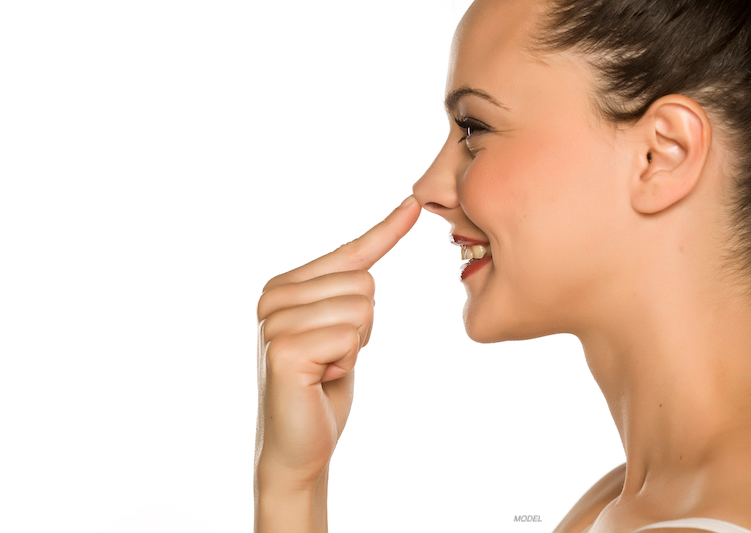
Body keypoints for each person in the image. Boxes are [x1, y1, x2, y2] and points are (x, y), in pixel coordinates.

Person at [253, 0, 751, 531]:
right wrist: (294, 484)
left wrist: (286, 492)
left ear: (662, 154)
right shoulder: (621, 501)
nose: (429, 190)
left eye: (474, 128)